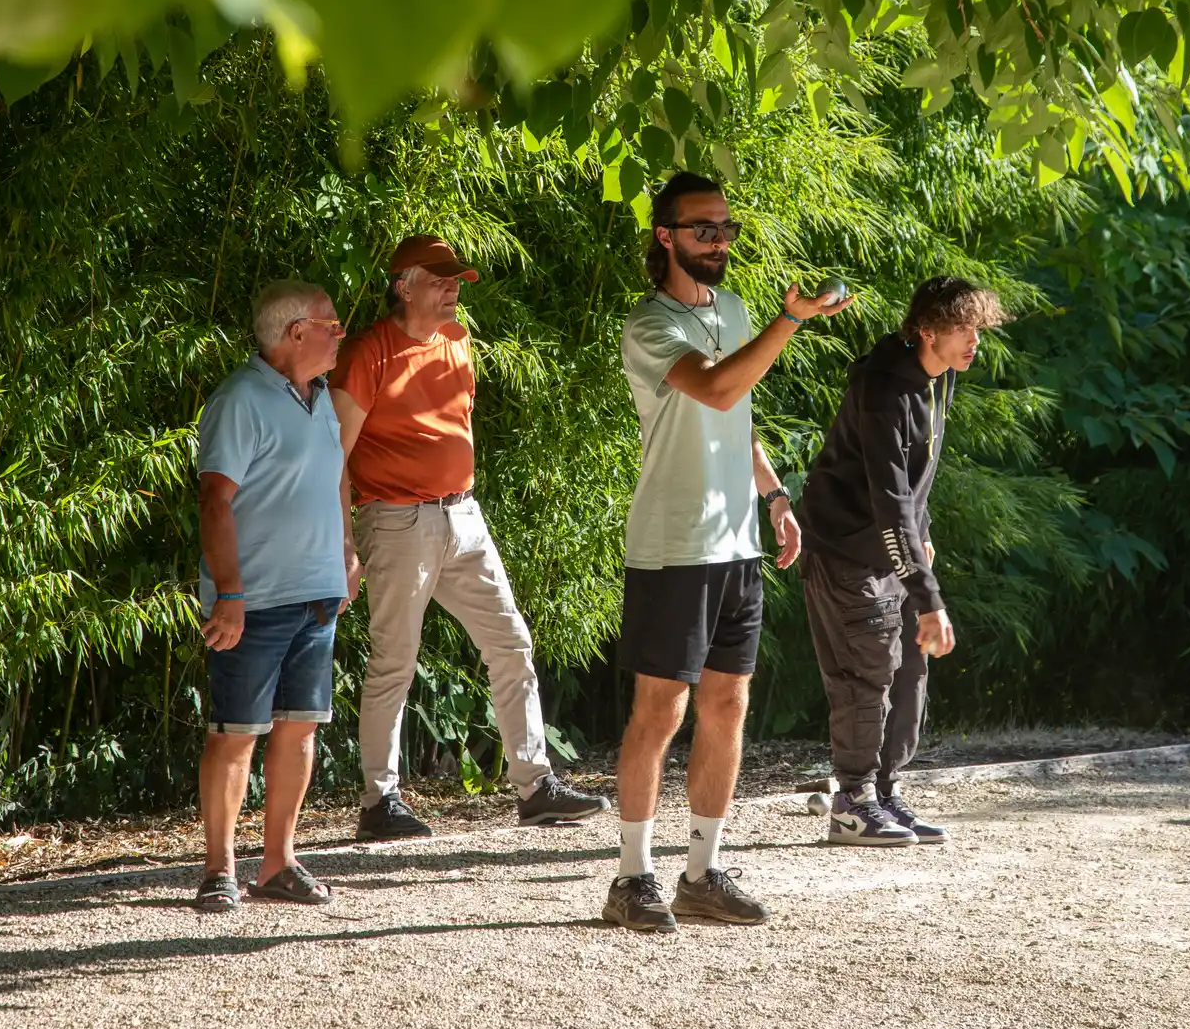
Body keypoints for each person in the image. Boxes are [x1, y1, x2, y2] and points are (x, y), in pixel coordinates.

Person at [602, 172, 853, 934]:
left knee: (727, 705)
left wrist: (773, 496)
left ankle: (702, 874)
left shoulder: (734, 310)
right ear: (665, 235)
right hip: (674, 543)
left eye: (725, 228)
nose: (718, 240)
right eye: (703, 228)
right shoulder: (649, 323)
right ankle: (631, 878)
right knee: (660, 711)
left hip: (736, 541)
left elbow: (736, 412)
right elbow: (713, 388)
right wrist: (791, 321)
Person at [335, 234, 609, 840]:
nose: (452, 288)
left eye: (455, 279)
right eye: (438, 280)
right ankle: (379, 802)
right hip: (397, 521)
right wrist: (344, 545)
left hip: (464, 514)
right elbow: (336, 455)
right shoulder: (367, 352)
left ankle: (535, 787)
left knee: (511, 642)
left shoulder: (458, 340)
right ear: (403, 287)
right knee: (394, 661)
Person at [795, 276, 1007, 846]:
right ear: (928, 331)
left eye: (978, 329)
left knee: (911, 673)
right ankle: (852, 802)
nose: (974, 341)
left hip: (894, 548)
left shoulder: (938, 379)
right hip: (846, 551)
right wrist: (929, 596)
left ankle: (885, 792)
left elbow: (918, 481)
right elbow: (889, 498)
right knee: (867, 674)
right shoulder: (884, 387)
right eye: (963, 329)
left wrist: (924, 536)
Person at [194, 281, 351, 912]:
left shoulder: (323, 398)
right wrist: (229, 592)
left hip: (317, 595)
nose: (341, 335)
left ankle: (278, 862)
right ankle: (219, 870)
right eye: (332, 326)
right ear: (295, 333)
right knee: (236, 733)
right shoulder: (240, 399)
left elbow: (336, 476)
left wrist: (346, 552)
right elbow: (214, 498)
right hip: (254, 600)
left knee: (300, 729)